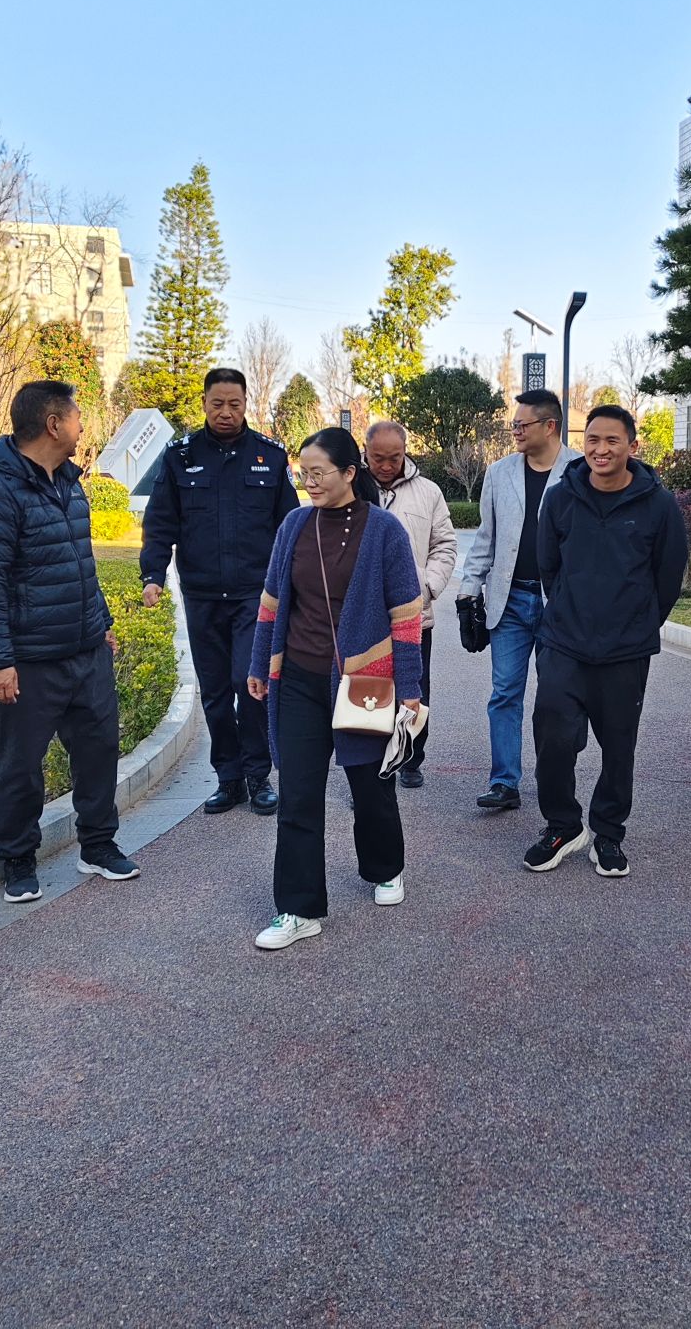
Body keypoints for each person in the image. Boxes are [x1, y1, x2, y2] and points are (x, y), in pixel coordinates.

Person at [244, 428, 426, 950]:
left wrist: (409, 685)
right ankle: (298, 909)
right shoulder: (294, 525)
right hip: (299, 678)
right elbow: (272, 602)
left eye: (319, 473)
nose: (310, 482)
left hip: (365, 678)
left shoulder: (384, 531)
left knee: (369, 786)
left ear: (349, 473)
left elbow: (406, 616)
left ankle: (385, 867)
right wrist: (259, 663)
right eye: (303, 473)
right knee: (298, 795)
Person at [0, 380, 138, 903]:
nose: (83, 427)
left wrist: (101, 620)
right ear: (53, 424)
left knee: (98, 751)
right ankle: (18, 858)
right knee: (19, 765)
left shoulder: (68, 482)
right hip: (29, 660)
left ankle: (98, 845)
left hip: (85, 650)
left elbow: (78, 562)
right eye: (77, 417)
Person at [525, 406, 688, 878]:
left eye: (612, 440)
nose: (601, 449)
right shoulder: (561, 497)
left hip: (625, 650)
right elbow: (549, 566)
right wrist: (568, 610)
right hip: (564, 643)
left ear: (632, 446)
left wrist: (638, 623)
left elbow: (668, 576)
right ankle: (562, 825)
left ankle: (608, 833)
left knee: (619, 747)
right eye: (593, 439)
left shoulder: (658, 504)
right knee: (553, 736)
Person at [140, 367, 297, 816]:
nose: (226, 412)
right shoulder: (180, 456)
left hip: (255, 595)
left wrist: (295, 585)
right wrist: (152, 575)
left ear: (246, 404)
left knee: (248, 682)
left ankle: (258, 775)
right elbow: (160, 522)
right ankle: (228, 778)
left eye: (234, 404)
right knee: (214, 690)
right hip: (202, 593)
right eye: (217, 404)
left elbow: (290, 527)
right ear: (205, 404)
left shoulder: (270, 457)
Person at [455, 388, 580, 811]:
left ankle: (553, 779)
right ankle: (504, 782)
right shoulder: (499, 473)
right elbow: (486, 539)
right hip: (508, 600)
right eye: (513, 424)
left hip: (558, 604)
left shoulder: (579, 471)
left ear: (550, 426)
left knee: (555, 699)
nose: (515, 431)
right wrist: (468, 591)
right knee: (504, 692)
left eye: (522, 425)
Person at [366, 420, 458, 788]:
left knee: (414, 686)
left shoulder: (429, 492)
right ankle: (370, 763)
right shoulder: (351, 487)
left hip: (414, 614)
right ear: (365, 451)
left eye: (395, 457)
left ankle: (409, 757)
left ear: (406, 451)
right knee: (367, 688)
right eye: (378, 458)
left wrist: (428, 586)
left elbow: (445, 545)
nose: (386, 466)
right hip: (365, 615)